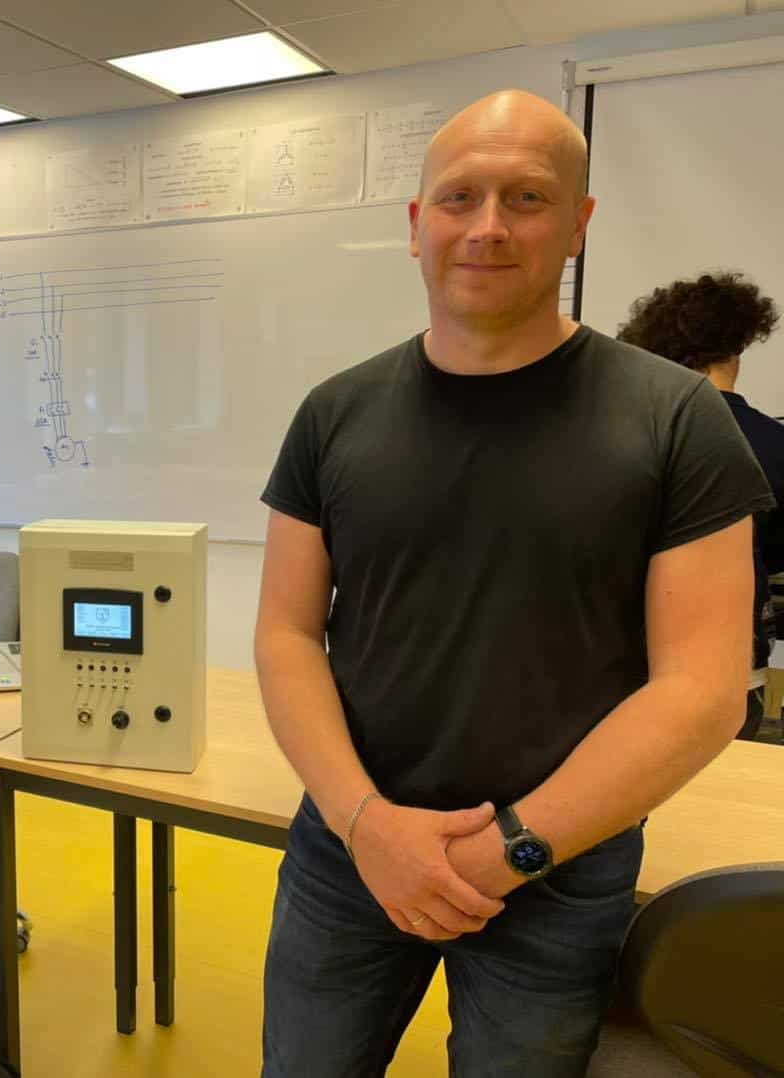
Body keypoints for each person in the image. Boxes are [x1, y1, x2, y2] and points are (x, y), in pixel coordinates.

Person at [254, 90, 773, 1076]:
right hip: (349, 851)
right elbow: (285, 632)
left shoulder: (674, 419)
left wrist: (511, 852)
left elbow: (703, 690)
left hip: (556, 870)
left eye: (527, 198)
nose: (487, 226)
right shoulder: (333, 414)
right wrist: (365, 824)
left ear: (578, 224)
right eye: (460, 198)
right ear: (417, 224)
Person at [618, 272, 783, 740]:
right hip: (728, 672)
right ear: (738, 348)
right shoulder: (774, 444)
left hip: (621, 670)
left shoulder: (621, 437)